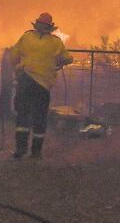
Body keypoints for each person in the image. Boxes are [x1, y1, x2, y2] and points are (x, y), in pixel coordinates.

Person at [8, 12, 73, 159]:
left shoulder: (26, 37)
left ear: (36, 25)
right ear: (50, 28)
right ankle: (36, 152)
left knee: (22, 115)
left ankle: (20, 150)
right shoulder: (56, 42)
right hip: (43, 85)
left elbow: (13, 56)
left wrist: (16, 69)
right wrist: (60, 61)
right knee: (40, 116)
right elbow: (67, 58)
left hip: (25, 81)